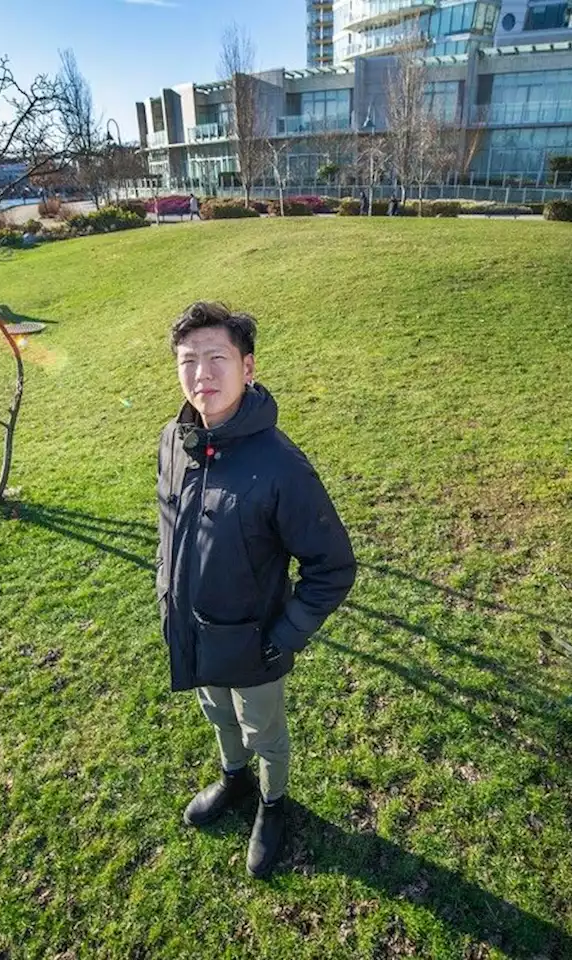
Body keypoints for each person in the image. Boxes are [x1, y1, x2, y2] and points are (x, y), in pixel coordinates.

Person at [156, 302, 356, 879]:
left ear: (249, 368)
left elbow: (333, 567)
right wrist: (166, 592)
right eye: (188, 361)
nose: (202, 375)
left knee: (264, 734)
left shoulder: (281, 466)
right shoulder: (174, 439)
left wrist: (284, 636)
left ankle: (273, 804)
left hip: (256, 645)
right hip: (194, 632)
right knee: (217, 716)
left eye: (217, 358)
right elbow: (168, 526)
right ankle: (233, 781)